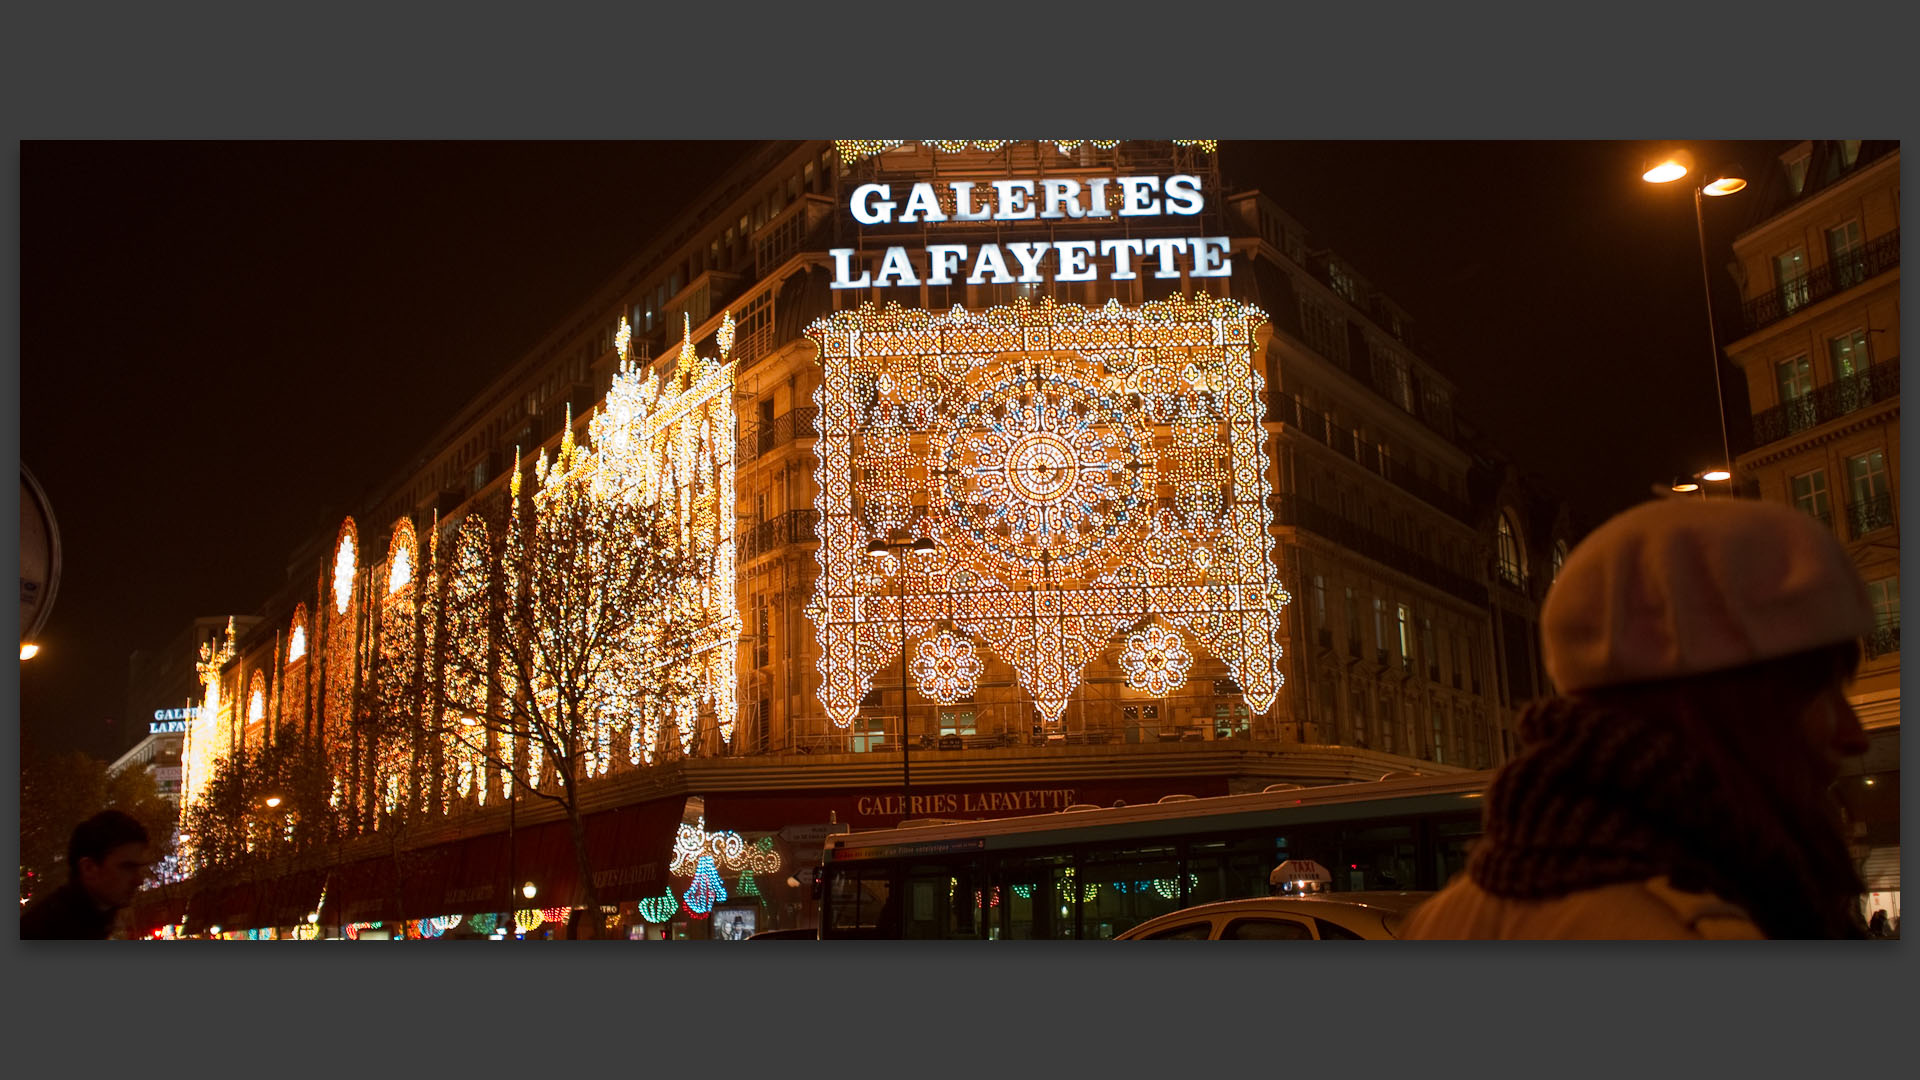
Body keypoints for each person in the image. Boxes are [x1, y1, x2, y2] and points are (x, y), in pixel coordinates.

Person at [1403, 499, 1875, 940]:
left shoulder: (1441, 920)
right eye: (1824, 695)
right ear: (1728, 714)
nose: (1855, 736)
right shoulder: (1692, 932)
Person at [21, 810, 152, 940]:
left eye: (139, 868)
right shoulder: (46, 932)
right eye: (127, 867)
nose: (139, 880)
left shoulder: (96, 918)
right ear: (89, 868)